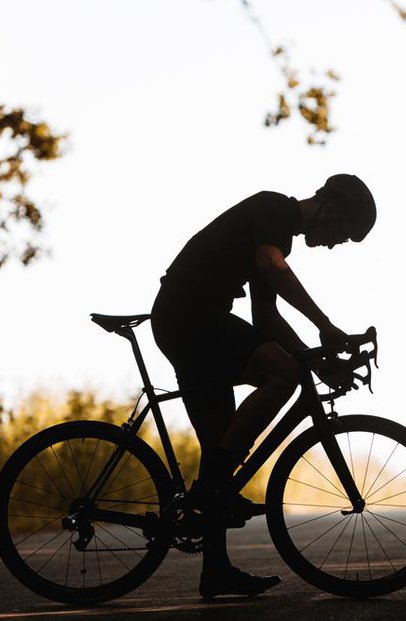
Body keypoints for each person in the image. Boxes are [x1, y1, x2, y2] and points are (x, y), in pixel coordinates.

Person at [150, 174, 376, 599]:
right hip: (190, 318)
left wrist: (319, 363)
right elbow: (273, 266)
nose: (331, 245)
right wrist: (325, 326)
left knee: (219, 447)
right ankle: (214, 486)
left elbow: (265, 320)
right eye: (339, 235)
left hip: (189, 323)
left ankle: (215, 569)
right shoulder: (273, 210)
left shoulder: (275, 236)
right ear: (330, 209)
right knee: (284, 375)